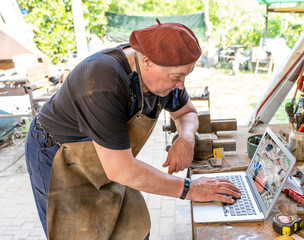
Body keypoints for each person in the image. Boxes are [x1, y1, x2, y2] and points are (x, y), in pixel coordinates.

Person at [25, 19, 241, 239]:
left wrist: (186, 138)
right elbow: (121, 170)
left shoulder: (163, 75)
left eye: (184, 76)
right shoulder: (101, 81)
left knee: (133, 230)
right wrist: (190, 188)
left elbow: (187, 113)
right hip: (57, 155)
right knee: (76, 232)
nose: (181, 85)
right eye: (177, 77)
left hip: (110, 160)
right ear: (147, 61)